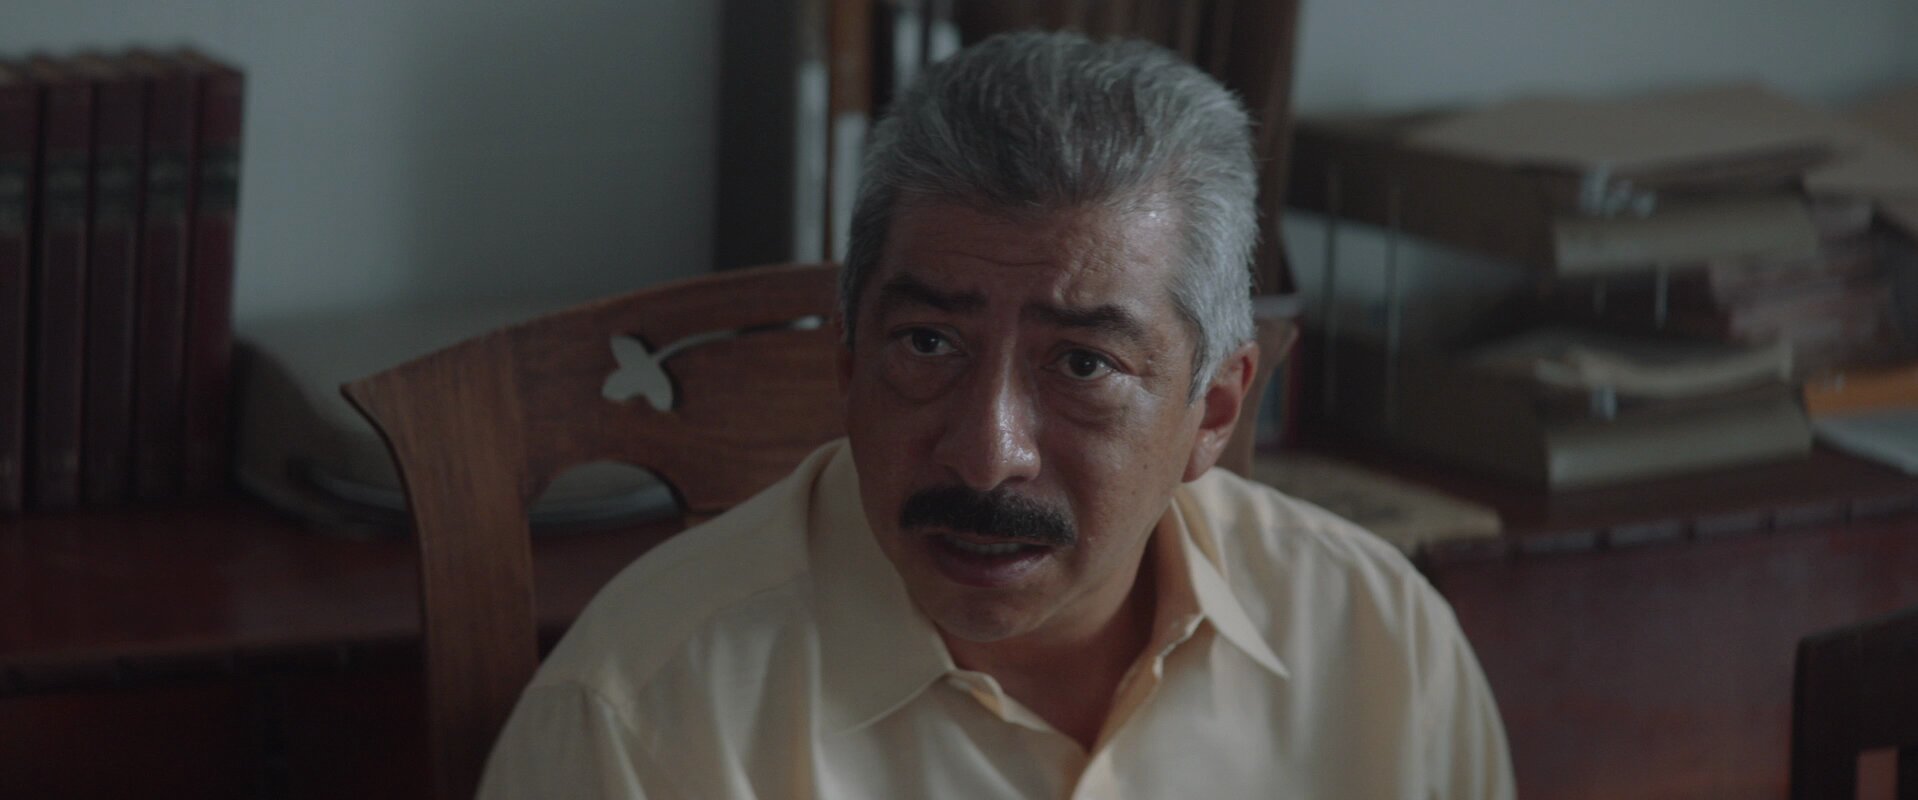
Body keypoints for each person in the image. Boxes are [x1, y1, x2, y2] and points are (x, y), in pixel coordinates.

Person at [480, 30, 1513, 798]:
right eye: (928, 345)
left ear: (1214, 410)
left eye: (1083, 364)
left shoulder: (1380, 643)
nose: (985, 455)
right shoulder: (641, 718)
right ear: (848, 361)